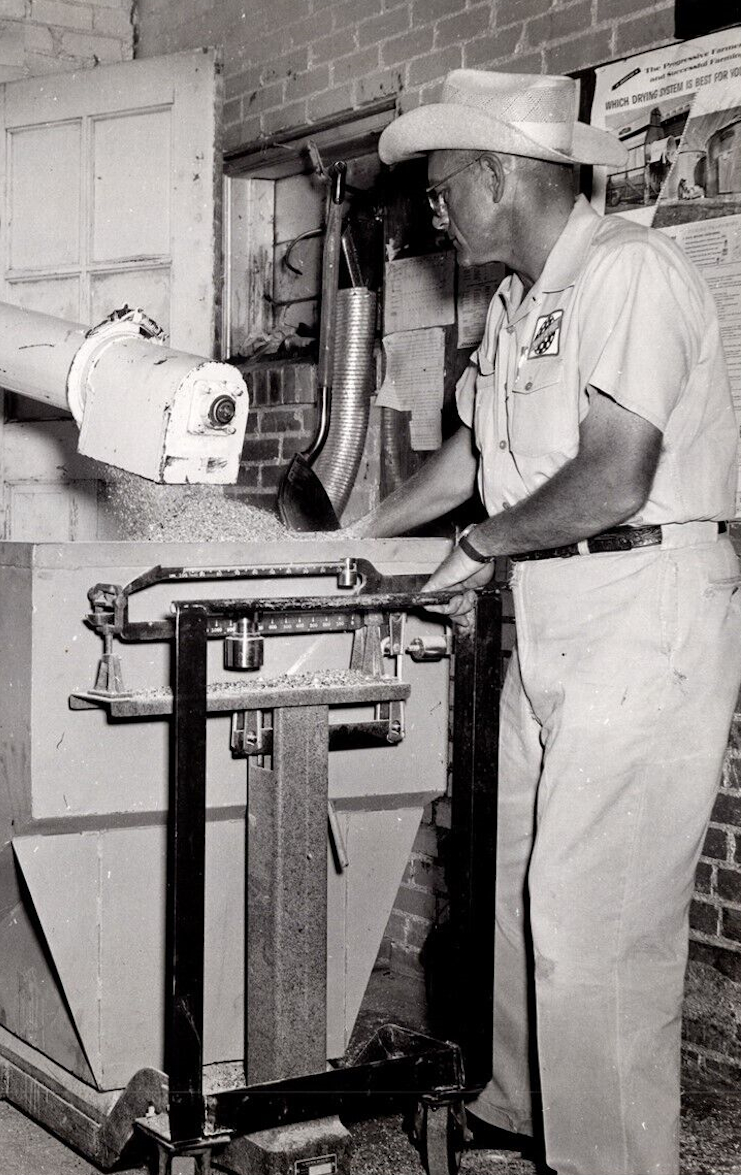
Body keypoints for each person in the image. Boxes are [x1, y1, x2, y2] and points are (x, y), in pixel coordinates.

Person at [361, 70, 741, 1175]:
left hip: (642, 606)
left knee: (597, 921)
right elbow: (475, 454)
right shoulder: (518, 304)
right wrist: (369, 530)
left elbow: (617, 476)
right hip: (554, 604)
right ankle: (519, 1111)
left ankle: (607, 1161)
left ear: (498, 174)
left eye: (443, 190)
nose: (437, 213)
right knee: (515, 880)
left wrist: (480, 547)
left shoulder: (630, 272)